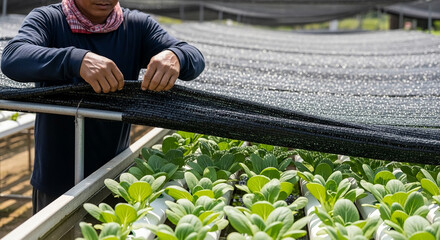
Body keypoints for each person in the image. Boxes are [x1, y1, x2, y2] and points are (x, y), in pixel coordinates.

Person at [1, 0, 205, 214]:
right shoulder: (50, 20)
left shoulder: (135, 25)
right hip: (57, 183)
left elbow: (193, 56)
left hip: (115, 178)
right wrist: (76, 60)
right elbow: (13, 57)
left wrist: (176, 56)